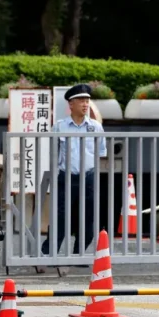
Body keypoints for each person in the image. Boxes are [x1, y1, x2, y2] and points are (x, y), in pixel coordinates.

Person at [41, 84, 106, 257]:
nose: (85, 105)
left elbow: (101, 152)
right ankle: (49, 253)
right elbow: (53, 153)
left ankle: (80, 254)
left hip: (89, 177)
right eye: (81, 101)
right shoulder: (60, 127)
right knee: (60, 217)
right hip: (66, 177)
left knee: (89, 218)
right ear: (71, 104)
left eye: (87, 101)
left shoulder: (96, 127)